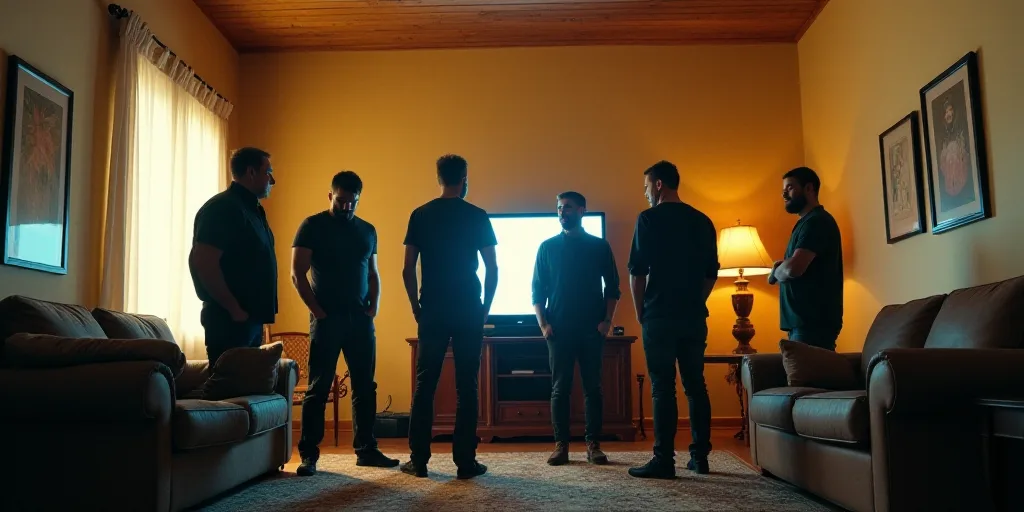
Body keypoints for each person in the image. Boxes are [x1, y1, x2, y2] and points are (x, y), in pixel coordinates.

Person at [290, 171, 398, 476]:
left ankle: (367, 450)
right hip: (327, 320)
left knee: (366, 386)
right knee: (318, 386)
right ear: (330, 196)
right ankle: (309, 455)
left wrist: (374, 304)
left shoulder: (368, 230)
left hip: (360, 320)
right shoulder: (311, 226)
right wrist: (317, 311)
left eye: (353, 202)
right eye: (342, 201)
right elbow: (297, 274)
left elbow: (373, 272)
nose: (347, 207)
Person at [400, 154, 498, 480]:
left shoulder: (420, 214)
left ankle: (419, 461)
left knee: (424, 385)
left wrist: (416, 307)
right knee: (467, 386)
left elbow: (406, 268)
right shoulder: (477, 215)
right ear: (464, 178)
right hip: (469, 309)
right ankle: (465, 463)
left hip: (433, 311)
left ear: (438, 177)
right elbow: (493, 269)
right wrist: (484, 309)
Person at [626, 160, 718, 479]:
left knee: (662, 387)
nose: (646, 193)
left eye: (646, 186)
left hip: (660, 315)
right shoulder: (703, 221)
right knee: (696, 384)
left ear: (659, 184)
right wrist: (695, 301)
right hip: (693, 316)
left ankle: (664, 460)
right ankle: (700, 458)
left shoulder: (649, 219)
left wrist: (640, 311)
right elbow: (711, 274)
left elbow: (637, 272)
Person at [531, 191, 620, 466]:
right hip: (558, 331)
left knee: (593, 389)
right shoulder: (546, 247)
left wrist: (607, 321)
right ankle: (561, 446)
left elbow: (613, 287)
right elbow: (537, 291)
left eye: (567, 207)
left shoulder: (599, 246)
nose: (562, 212)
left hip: (592, 330)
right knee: (560, 389)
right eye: (559, 207)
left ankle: (594, 445)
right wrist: (543, 324)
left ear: (582, 210)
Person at [189, 147, 277, 366]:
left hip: (248, 322)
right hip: (229, 322)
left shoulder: (252, 210)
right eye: (268, 172)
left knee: (245, 391)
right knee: (229, 391)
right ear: (251, 172)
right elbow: (203, 263)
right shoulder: (222, 208)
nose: (272, 180)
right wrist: (234, 309)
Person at [768, 166, 843, 351]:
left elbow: (793, 268)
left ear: (809, 188)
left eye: (790, 188)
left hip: (812, 326)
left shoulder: (817, 222)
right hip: (802, 326)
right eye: (783, 190)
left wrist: (777, 271)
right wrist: (781, 269)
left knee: (808, 379)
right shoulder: (805, 223)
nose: (784, 194)